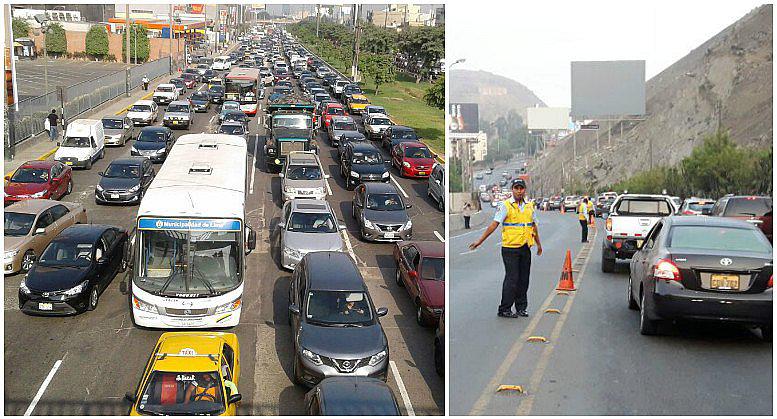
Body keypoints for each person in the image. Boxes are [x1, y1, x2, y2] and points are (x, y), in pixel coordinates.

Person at [469, 178, 543, 318]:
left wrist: (539, 244)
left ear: (524, 190)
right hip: (510, 248)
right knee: (512, 278)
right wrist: (480, 240)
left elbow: (533, 226)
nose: (519, 191)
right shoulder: (505, 205)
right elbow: (494, 225)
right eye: (516, 188)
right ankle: (504, 308)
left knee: (524, 279)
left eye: (521, 188)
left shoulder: (529, 206)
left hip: (525, 247)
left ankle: (521, 307)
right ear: (512, 190)